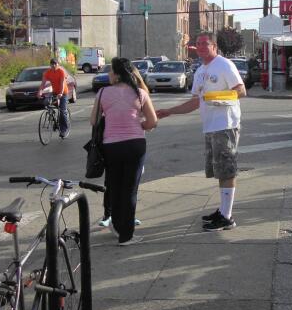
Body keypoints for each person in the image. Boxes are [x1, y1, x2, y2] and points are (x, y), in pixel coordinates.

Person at [156, 32, 246, 231]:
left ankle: (227, 217)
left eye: (205, 43)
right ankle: (223, 211)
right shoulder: (200, 71)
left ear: (214, 46)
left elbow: (241, 90)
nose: (201, 47)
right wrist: (168, 112)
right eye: (198, 44)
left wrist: (217, 96)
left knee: (227, 170)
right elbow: (195, 102)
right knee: (219, 171)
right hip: (210, 126)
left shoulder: (224, 64)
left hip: (226, 125)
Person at [91, 58, 157, 246]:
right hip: (135, 145)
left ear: (118, 74)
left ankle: (118, 226)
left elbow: (93, 121)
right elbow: (152, 122)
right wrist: (137, 125)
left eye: (111, 71)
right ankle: (126, 235)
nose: (109, 74)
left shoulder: (103, 92)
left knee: (115, 187)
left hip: (111, 146)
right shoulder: (140, 93)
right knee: (130, 190)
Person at [99, 65, 149, 229]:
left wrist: (138, 125)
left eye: (111, 71)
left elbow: (149, 122)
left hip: (126, 141)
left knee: (128, 184)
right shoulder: (109, 92)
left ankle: (125, 217)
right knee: (116, 183)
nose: (108, 74)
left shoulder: (139, 93)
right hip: (123, 141)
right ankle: (111, 215)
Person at [37, 58, 71, 138]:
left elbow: (62, 83)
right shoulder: (47, 73)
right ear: (50, 65)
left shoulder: (61, 71)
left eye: (55, 64)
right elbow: (43, 84)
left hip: (63, 93)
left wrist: (61, 93)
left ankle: (63, 129)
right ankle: (54, 120)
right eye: (52, 64)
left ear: (58, 64)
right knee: (47, 103)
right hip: (55, 92)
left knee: (62, 111)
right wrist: (40, 91)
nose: (54, 65)